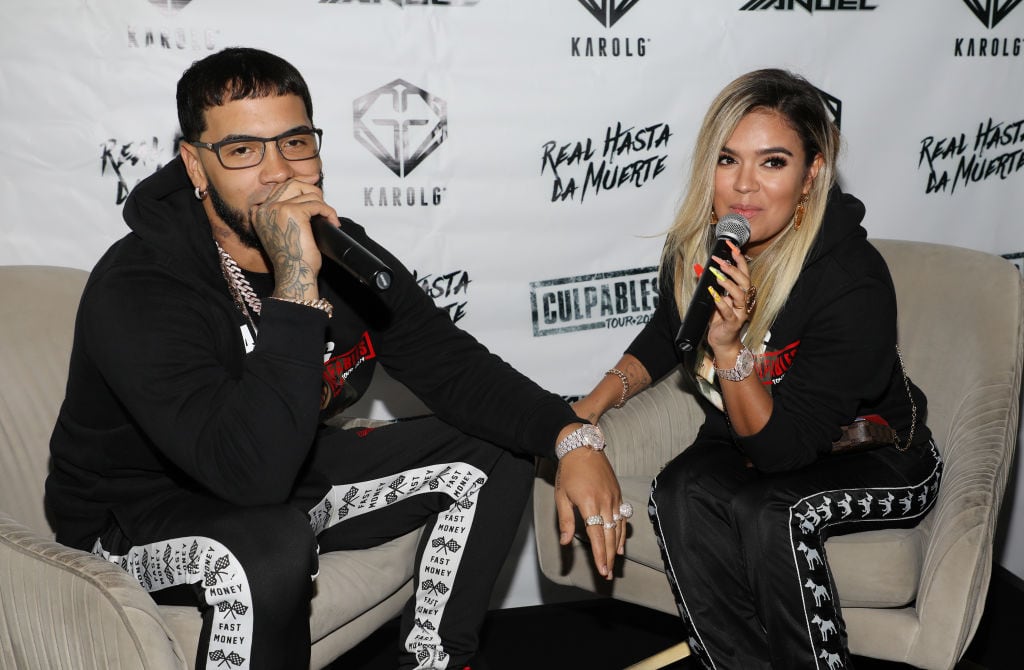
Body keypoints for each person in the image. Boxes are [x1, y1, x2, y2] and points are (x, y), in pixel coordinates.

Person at [46, 47, 627, 670]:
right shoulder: (141, 284)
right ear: (195, 164)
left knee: (494, 449)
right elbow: (248, 477)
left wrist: (572, 436)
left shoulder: (341, 253)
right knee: (269, 546)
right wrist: (296, 283)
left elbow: (453, 367)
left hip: (283, 470)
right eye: (242, 150)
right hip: (137, 514)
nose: (277, 172)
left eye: (295, 143)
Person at [572, 69, 943, 669]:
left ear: (811, 174)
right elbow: (669, 333)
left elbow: (781, 453)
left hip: (873, 451)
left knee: (771, 510)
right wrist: (587, 410)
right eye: (727, 160)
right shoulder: (704, 247)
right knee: (679, 491)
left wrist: (729, 347)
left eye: (772, 163)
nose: (744, 186)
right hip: (759, 437)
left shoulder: (851, 280)